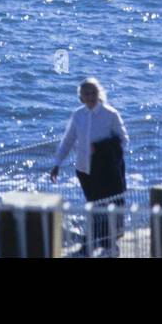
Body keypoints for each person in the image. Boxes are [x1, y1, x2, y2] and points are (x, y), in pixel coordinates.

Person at [49, 78, 129, 255]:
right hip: (85, 170)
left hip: (107, 170)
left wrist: (101, 148)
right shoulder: (78, 115)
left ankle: (100, 242)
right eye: (86, 93)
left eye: (93, 92)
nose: (90, 96)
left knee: (105, 206)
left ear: (99, 93)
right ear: (81, 97)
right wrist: (57, 164)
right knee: (94, 205)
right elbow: (68, 140)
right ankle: (100, 241)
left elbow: (123, 140)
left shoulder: (110, 114)